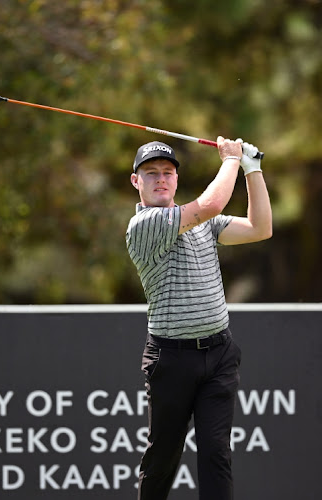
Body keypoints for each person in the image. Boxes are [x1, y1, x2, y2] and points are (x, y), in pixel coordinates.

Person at [126, 137, 272, 500]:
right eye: (151, 173)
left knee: (215, 452)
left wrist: (253, 170)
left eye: (167, 173)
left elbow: (260, 228)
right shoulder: (144, 226)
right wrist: (232, 159)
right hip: (171, 359)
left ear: (176, 180)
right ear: (136, 182)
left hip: (219, 354)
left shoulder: (203, 224)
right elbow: (212, 203)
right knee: (163, 458)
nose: (160, 179)